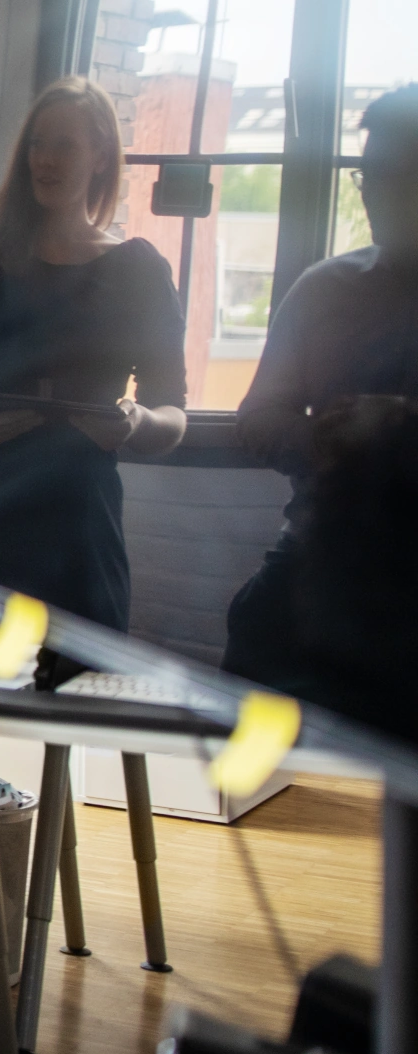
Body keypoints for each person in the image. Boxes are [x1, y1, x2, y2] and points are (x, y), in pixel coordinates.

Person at [0, 76, 186, 660]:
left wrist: (137, 422)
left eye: (64, 145)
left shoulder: (137, 271)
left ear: (99, 158)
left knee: (75, 697)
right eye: (37, 144)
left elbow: (174, 413)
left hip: (75, 522)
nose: (44, 159)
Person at [224, 84, 418, 727]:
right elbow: (258, 416)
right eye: (368, 174)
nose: (373, 191)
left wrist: (399, 427)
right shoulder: (326, 289)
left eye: (394, 175)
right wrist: (327, 437)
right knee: (251, 646)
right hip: (319, 550)